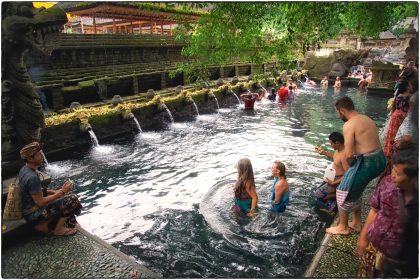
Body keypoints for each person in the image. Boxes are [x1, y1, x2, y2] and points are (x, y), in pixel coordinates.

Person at [326, 96, 386, 235]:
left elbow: (348, 155)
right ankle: (357, 223)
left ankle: (343, 227)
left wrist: (351, 169)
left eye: (338, 113)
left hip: (368, 163)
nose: (338, 115)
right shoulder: (366, 118)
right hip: (380, 159)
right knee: (356, 189)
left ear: (342, 110)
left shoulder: (349, 124)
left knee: (343, 190)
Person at [356, 147, 418, 277]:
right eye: (393, 169)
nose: (393, 176)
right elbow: (374, 210)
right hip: (373, 247)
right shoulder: (386, 184)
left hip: (399, 261)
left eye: (399, 174)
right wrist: (363, 238)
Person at [18, 142, 82, 236]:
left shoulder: (24, 169)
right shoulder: (32, 177)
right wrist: (62, 192)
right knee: (72, 200)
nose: (42, 157)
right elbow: (40, 202)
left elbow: (35, 192)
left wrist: (56, 192)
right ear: (30, 158)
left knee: (64, 198)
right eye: (39, 155)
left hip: (29, 210)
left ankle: (70, 221)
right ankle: (56, 229)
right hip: (35, 215)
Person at [314, 132, 349, 212]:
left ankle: (339, 196)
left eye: (331, 143)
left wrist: (334, 183)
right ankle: (333, 205)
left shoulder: (344, 155)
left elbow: (348, 174)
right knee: (317, 190)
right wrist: (324, 153)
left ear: (337, 142)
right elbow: (335, 157)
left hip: (337, 181)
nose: (330, 145)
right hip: (332, 177)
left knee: (318, 194)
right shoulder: (338, 150)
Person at [384, 81, 411, 159]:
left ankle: (389, 152)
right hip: (401, 116)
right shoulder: (409, 96)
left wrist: (392, 115)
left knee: (391, 135)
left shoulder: (398, 95)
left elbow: (393, 106)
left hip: (395, 115)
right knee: (396, 136)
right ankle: (393, 153)